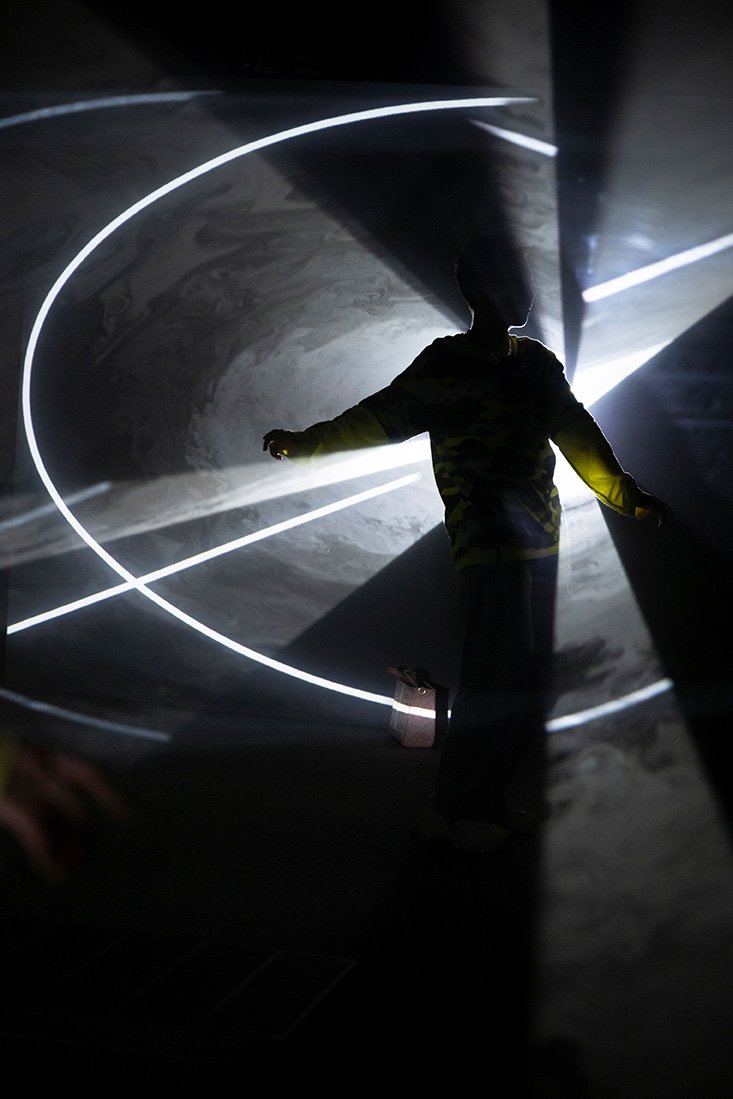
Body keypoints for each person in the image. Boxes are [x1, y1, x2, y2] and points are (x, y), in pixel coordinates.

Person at [263, 239, 668, 854]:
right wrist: (306, 442)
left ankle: (485, 799)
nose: (529, 295)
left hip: (538, 541)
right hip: (488, 542)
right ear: (484, 292)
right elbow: (381, 417)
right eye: (517, 282)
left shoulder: (536, 364)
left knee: (518, 677)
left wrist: (627, 497)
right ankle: (453, 809)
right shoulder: (446, 364)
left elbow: (576, 430)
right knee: (493, 674)